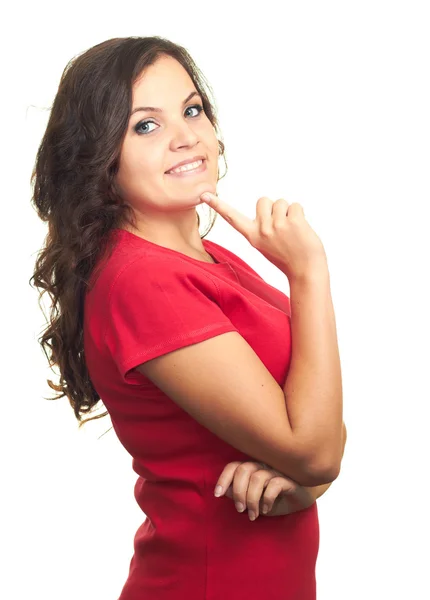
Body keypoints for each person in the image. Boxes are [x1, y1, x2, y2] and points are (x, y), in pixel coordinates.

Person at [30, 36, 346, 600]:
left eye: (193, 109)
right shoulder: (142, 280)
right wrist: (310, 274)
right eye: (145, 126)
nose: (186, 137)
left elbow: (320, 432)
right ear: (100, 156)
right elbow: (317, 445)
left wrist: (307, 482)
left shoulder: (206, 259)